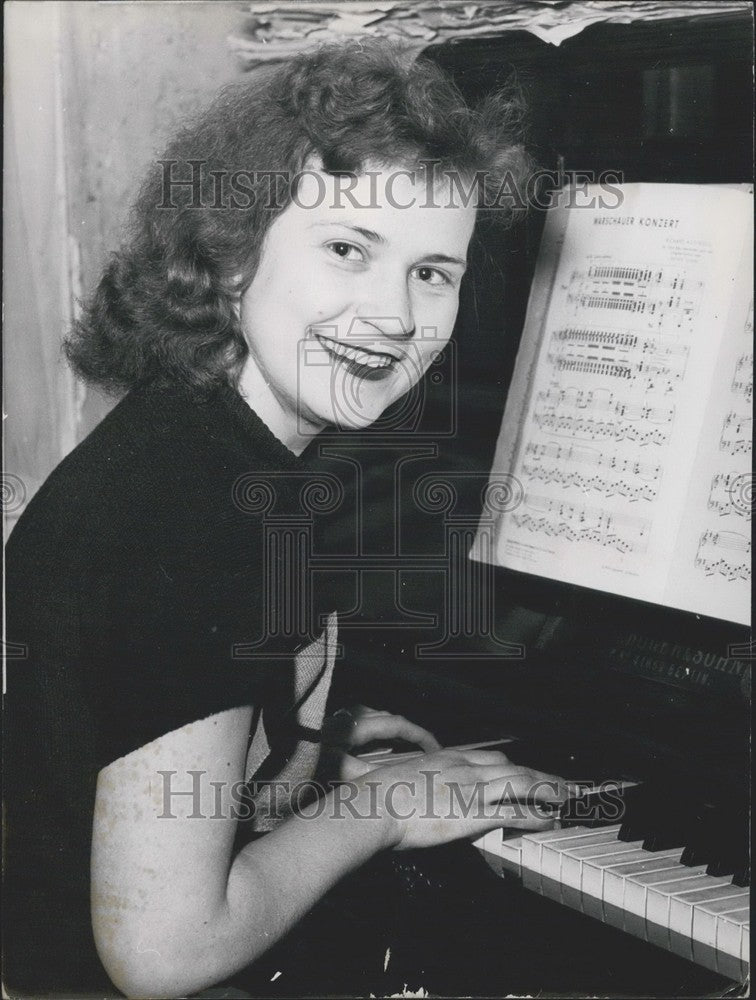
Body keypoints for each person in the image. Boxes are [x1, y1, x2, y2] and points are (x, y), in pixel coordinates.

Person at [4, 40, 567, 999]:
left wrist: (292, 747)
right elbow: (164, 955)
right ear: (230, 253)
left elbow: (118, 719)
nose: (394, 316)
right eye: (348, 249)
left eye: (434, 273)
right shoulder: (202, 521)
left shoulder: (187, 444)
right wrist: (383, 807)